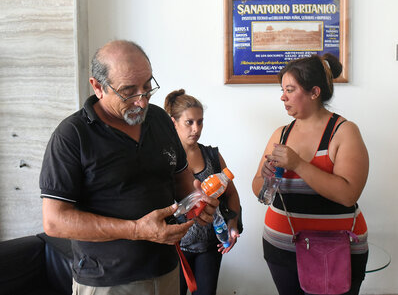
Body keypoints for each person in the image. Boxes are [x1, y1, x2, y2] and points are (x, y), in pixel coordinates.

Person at [39, 40, 219, 295]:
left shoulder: (160, 120)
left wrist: (198, 201)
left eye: (147, 87)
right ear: (98, 87)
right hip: (108, 281)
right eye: (128, 91)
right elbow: (55, 221)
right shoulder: (72, 136)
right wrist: (136, 230)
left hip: (167, 270)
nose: (142, 102)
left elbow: (182, 182)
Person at [252, 53, 369, 295]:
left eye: (290, 89)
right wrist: (265, 177)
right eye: (282, 89)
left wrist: (299, 164)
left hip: (335, 249)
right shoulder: (280, 134)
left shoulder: (344, 132)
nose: (282, 96)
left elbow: (348, 194)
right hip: (281, 248)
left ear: (315, 92)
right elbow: (258, 189)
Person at [164, 89, 242, 295]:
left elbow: (232, 195)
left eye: (200, 122)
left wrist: (232, 225)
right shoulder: (165, 158)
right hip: (175, 249)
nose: (196, 128)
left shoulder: (212, 156)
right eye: (189, 122)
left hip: (209, 247)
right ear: (173, 122)